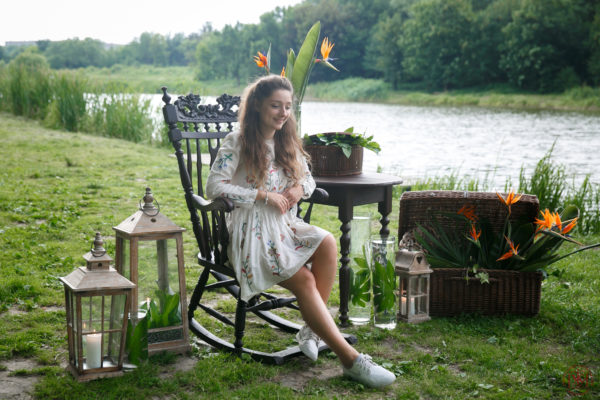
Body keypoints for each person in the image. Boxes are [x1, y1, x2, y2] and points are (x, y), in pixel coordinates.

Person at [206, 75, 395, 389]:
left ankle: (311, 330)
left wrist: (298, 190)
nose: (283, 113)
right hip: (252, 231)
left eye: (287, 106)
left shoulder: (286, 140)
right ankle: (351, 360)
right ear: (257, 105)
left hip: (284, 225)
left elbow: (308, 179)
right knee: (306, 280)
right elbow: (214, 187)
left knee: (327, 242)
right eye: (275, 106)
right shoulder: (237, 140)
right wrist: (262, 195)